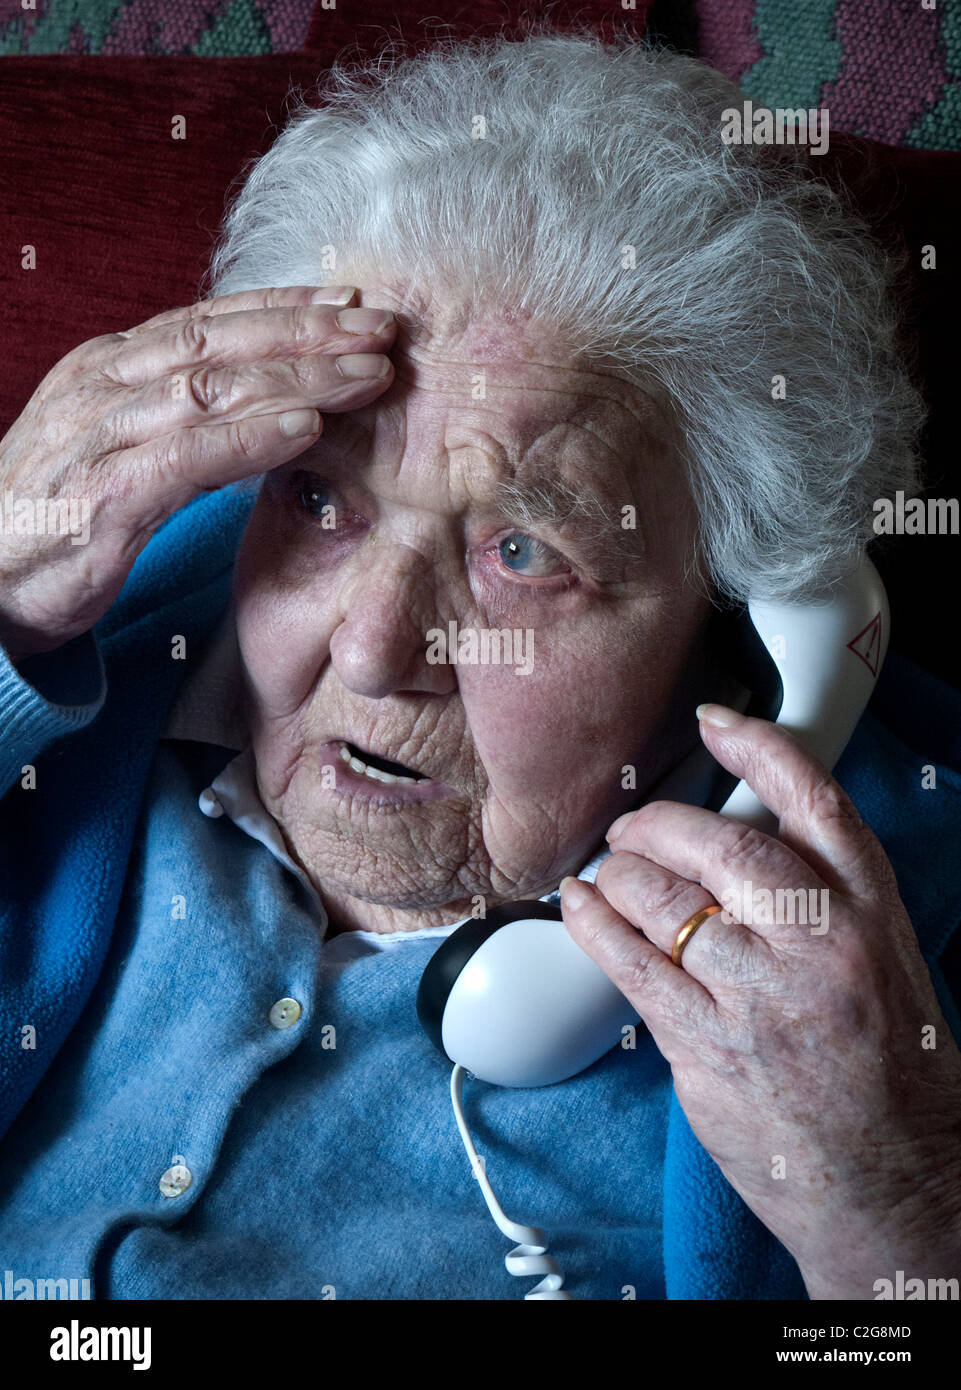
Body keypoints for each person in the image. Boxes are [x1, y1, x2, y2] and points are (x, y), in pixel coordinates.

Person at [0, 30, 959, 1302]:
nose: (372, 648)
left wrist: (896, 1208)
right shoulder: (67, 673)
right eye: (320, 500)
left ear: (740, 621)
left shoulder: (879, 1008)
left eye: (520, 551)